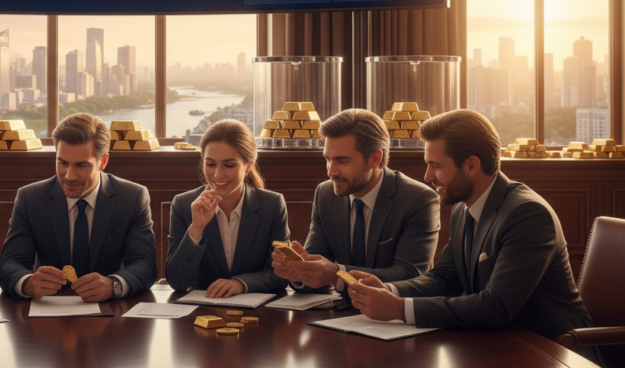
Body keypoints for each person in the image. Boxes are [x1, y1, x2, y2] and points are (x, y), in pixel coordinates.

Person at [345, 109, 600, 365]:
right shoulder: (462, 209)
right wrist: (389, 289)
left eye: (435, 165)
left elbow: (496, 307)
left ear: (471, 165)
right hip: (502, 346)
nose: (427, 176)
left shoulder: (528, 214)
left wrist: (399, 308)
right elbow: (445, 278)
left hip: (556, 352)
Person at [272, 109, 440, 296]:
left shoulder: (418, 199)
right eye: (328, 160)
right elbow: (318, 268)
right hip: (338, 314)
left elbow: (410, 274)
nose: (331, 172)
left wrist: (337, 274)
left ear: (375, 159)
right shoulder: (325, 193)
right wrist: (300, 273)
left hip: (395, 316)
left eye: (342, 161)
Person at [0, 113, 157, 302]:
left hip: (112, 311)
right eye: (62, 163)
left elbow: (145, 264)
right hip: (48, 311)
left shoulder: (132, 197)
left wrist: (112, 285)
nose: (69, 176)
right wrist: (27, 283)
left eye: (81, 165)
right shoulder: (30, 198)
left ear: (103, 162)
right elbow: (10, 264)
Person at [166, 119, 290, 296]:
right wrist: (196, 229)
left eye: (229, 165)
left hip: (259, 314)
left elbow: (280, 274)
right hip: (200, 312)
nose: (217, 174)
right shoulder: (183, 204)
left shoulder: (273, 205)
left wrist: (241, 283)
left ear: (248, 166)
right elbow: (177, 281)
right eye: (210, 164)